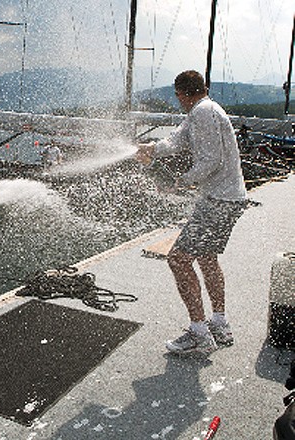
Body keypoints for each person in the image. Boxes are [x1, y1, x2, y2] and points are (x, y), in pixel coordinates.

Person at [136, 70, 247, 355]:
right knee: (207, 258)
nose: (178, 101)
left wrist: (180, 182)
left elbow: (211, 160)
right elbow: (176, 141)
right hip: (227, 198)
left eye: (177, 97)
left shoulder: (203, 113)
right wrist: (152, 148)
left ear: (182, 94)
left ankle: (199, 333)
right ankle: (219, 325)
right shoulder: (203, 110)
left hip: (218, 200)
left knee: (178, 259)